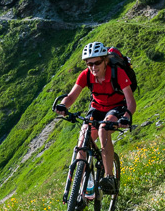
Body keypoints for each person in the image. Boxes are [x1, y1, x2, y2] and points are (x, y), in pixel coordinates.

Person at [54, 41, 136, 196]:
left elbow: (131, 101)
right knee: (84, 134)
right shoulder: (86, 75)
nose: (93, 67)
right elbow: (71, 97)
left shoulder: (117, 73)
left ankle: (109, 177)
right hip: (97, 108)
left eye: (97, 62)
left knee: (103, 129)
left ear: (105, 60)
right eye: (89, 63)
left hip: (117, 107)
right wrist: (63, 106)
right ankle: (84, 181)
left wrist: (126, 117)